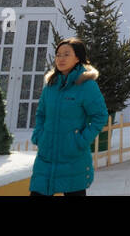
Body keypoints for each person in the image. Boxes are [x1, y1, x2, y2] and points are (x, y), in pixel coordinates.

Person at [29, 38, 108, 196]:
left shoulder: (86, 85)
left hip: (73, 157)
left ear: (78, 58)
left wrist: (80, 140)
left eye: (66, 54)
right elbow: (41, 114)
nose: (61, 59)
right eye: (58, 55)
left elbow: (100, 116)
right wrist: (39, 135)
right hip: (46, 156)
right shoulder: (51, 85)